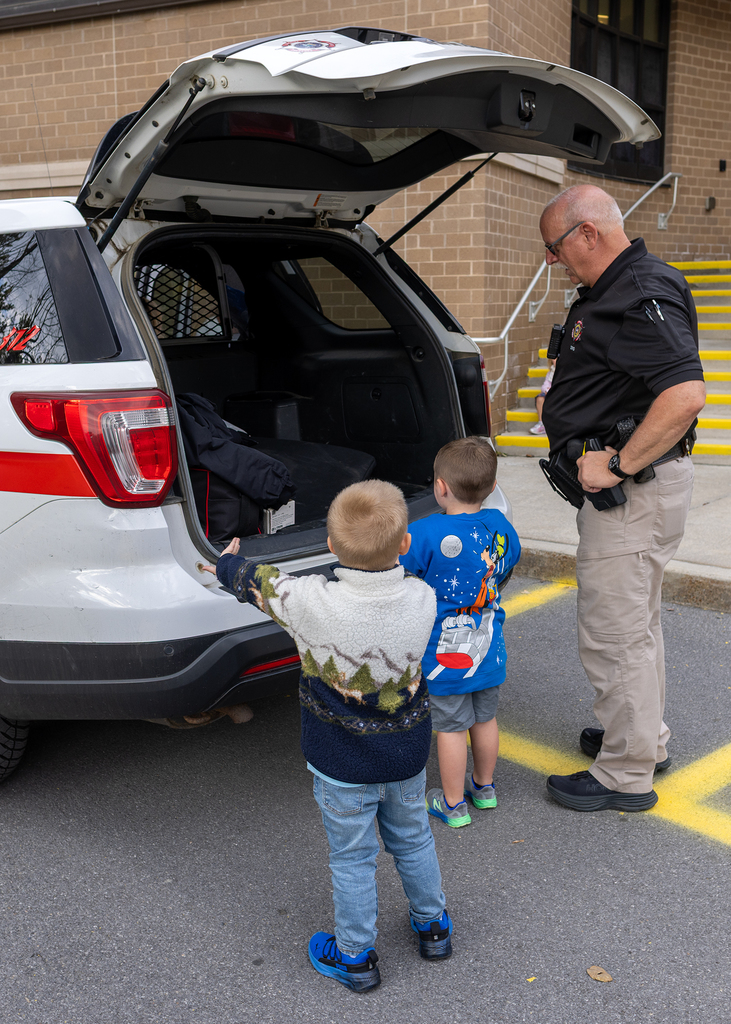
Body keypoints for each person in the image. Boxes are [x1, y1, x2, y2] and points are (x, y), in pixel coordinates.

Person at [204, 480, 452, 992]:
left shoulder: (311, 602)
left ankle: (355, 957)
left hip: (340, 765)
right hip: (406, 757)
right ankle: (433, 928)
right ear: (405, 543)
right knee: (413, 840)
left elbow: (263, 584)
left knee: (353, 859)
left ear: (331, 546)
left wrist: (228, 565)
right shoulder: (423, 598)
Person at [539, 183, 706, 812]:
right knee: (637, 627)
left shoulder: (637, 292)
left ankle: (625, 774)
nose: (551, 259)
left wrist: (616, 463)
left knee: (615, 635)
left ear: (587, 232)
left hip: (634, 494)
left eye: (554, 246)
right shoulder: (614, 289)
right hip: (640, 496)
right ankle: (641, 739)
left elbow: (685, 395)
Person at [400, 437, 521, 827]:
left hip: (445, 656)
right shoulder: (500, 524)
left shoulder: (423, 532)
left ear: (440, 487)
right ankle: (484, 788)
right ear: (492, 486)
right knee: (485, 719)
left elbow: (401, 574)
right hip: (489, 649)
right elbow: (509, 562)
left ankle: (451, 804)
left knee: (451, 728)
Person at [530, 358, 556, 435]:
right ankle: (542, 424)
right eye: (554, 359)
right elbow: (545, 385)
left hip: (560, 394)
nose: (555, 361)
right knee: (540, 398)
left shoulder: (566, 372)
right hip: (551, 394)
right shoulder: (551, 372)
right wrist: (548, 390)